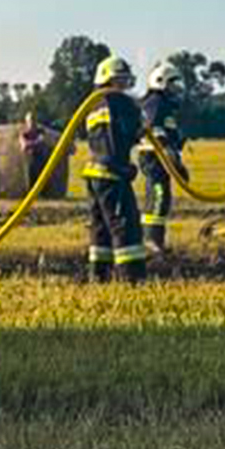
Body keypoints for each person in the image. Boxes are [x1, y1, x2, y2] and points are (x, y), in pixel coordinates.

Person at [82, 56, 148, 283]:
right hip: (113, 173)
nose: (124, 86)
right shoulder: (120, 102)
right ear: (108, 80)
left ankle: (99, 277)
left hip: (94, 174)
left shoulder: (92, 104)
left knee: (100, 231)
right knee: (125, 227)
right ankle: (133, 280)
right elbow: (132, 130)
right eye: (120, 80)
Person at [134, 60, 187, 257]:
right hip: (154, 157)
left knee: (161, 197)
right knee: (158, 195)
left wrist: (177, 162)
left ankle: (155, 241)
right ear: (160, 82)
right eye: (172, 84)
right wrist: (172, 158)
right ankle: (151, 241)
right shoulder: (155, 104)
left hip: (161, 158)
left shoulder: (163, 105)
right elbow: (156, 132)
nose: (176, 89)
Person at [19, 111, 52, 183]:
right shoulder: (24, 134)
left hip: (43, 162)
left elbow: (44, 140)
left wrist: (30, 144)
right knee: (31, 186)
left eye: (34, 120)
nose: (32, 122)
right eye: (30, 120)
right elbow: (24, 146)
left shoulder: (41, 131)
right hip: (30, 164)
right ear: (26, 122)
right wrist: (37, 142)